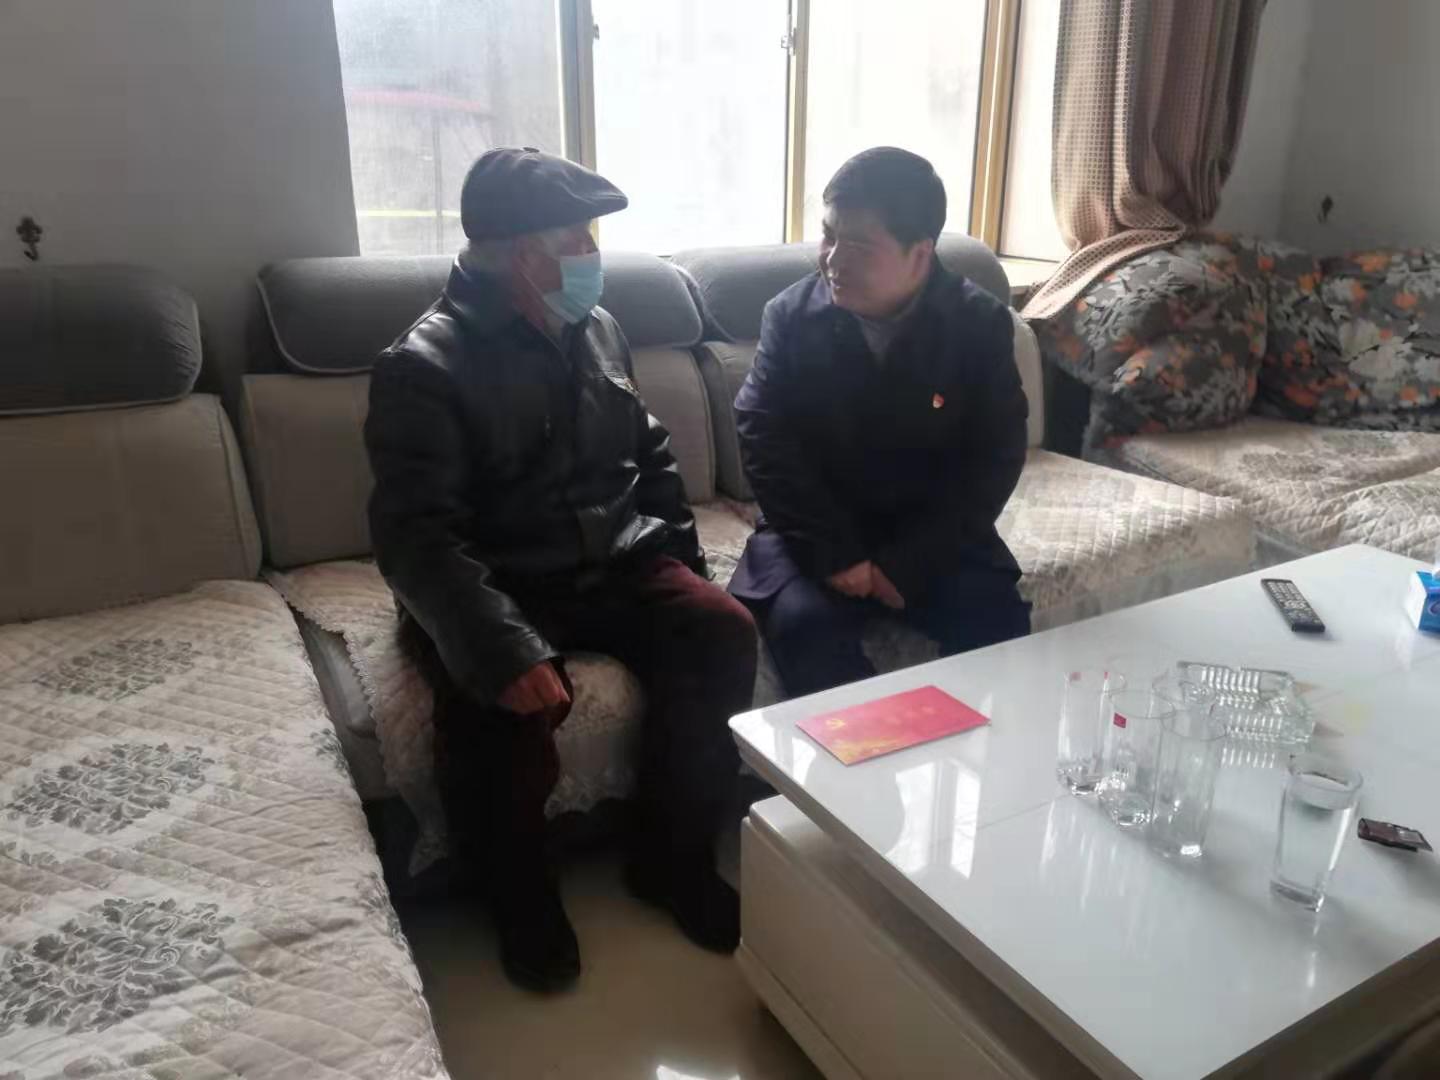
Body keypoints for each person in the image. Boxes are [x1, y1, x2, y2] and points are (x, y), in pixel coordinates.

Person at [364, 148, 757, 993]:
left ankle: (671, 859)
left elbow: (651, 454)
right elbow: (417, 538)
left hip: (614, 560)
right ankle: (518, 895)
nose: (592, 255)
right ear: (523, 255)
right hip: (498, 583)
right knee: (498, 709)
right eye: (578, 238)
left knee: (719, 631)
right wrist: (501, 648)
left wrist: (681, 563)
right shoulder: (421, 365)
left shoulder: (596, 326)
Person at [730, 147, 1030, 698]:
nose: (833, 260)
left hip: (931, 535)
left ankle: (977, 751)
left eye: (859, 246)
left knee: (996, 623)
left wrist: (906, 564)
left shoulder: (977, 324)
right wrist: (838, 555)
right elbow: (763, 439)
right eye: (828, 236)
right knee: (805, 629)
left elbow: (996, 455)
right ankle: (869, 756)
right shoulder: (790, 318)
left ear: (921, 253)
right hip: (813, 534)